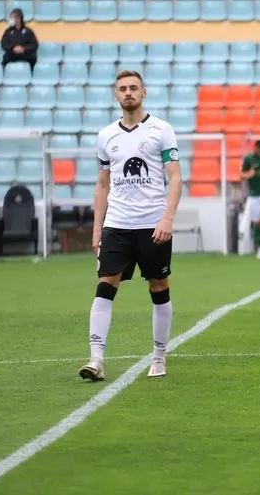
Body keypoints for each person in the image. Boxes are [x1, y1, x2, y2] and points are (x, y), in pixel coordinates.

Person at [79, 70, 182, 381]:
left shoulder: (162, 130)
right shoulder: (106, 136)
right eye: (122, 88)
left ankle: (159, 357)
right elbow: (102, 184)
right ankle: (96, 360)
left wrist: (167, 218)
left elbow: (175, 178)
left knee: (158, 286)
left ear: (143, 92)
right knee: (105, 284)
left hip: (153, 225)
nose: (128, 93)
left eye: (133, 88)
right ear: (116, 95)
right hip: (117, 225)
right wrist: (97, 229)